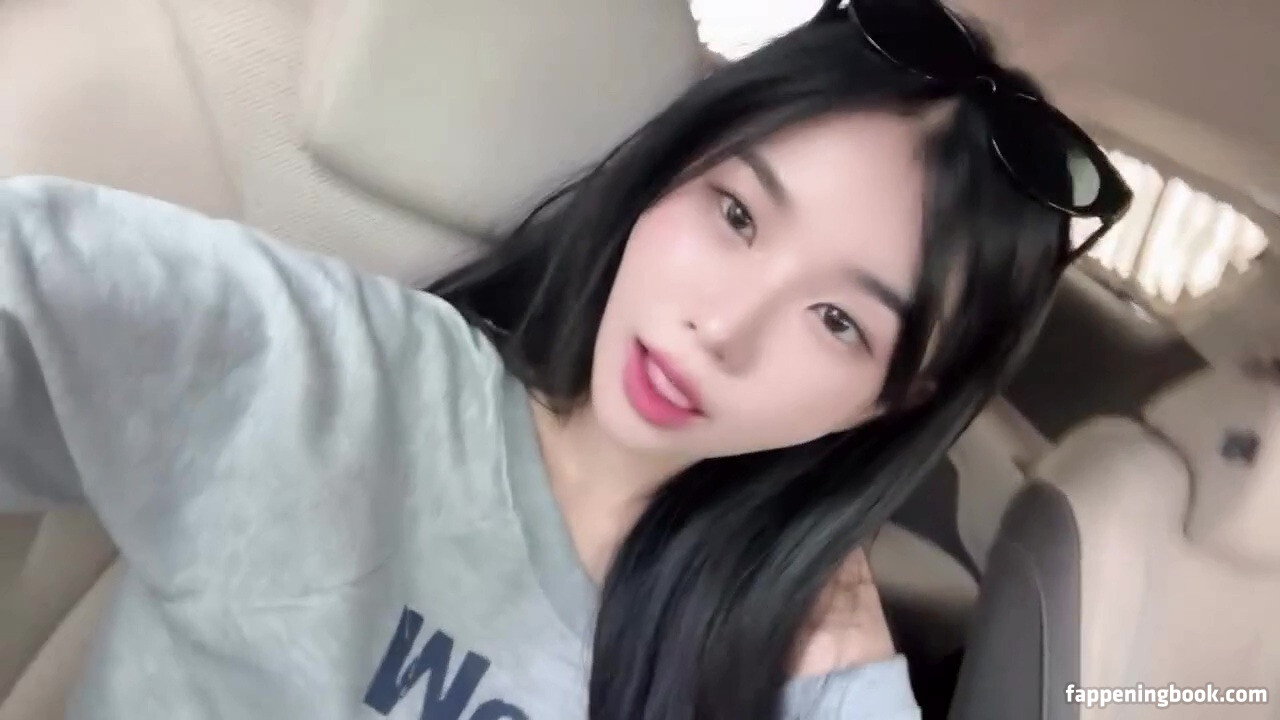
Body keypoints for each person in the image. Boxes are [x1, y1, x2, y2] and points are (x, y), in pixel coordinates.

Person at [0, 0, 1130, 718]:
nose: (723, 328)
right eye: (736, 214)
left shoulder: (803, 665)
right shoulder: (337, 378)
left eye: (837, 321)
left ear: (891, 400)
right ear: (665, 175)